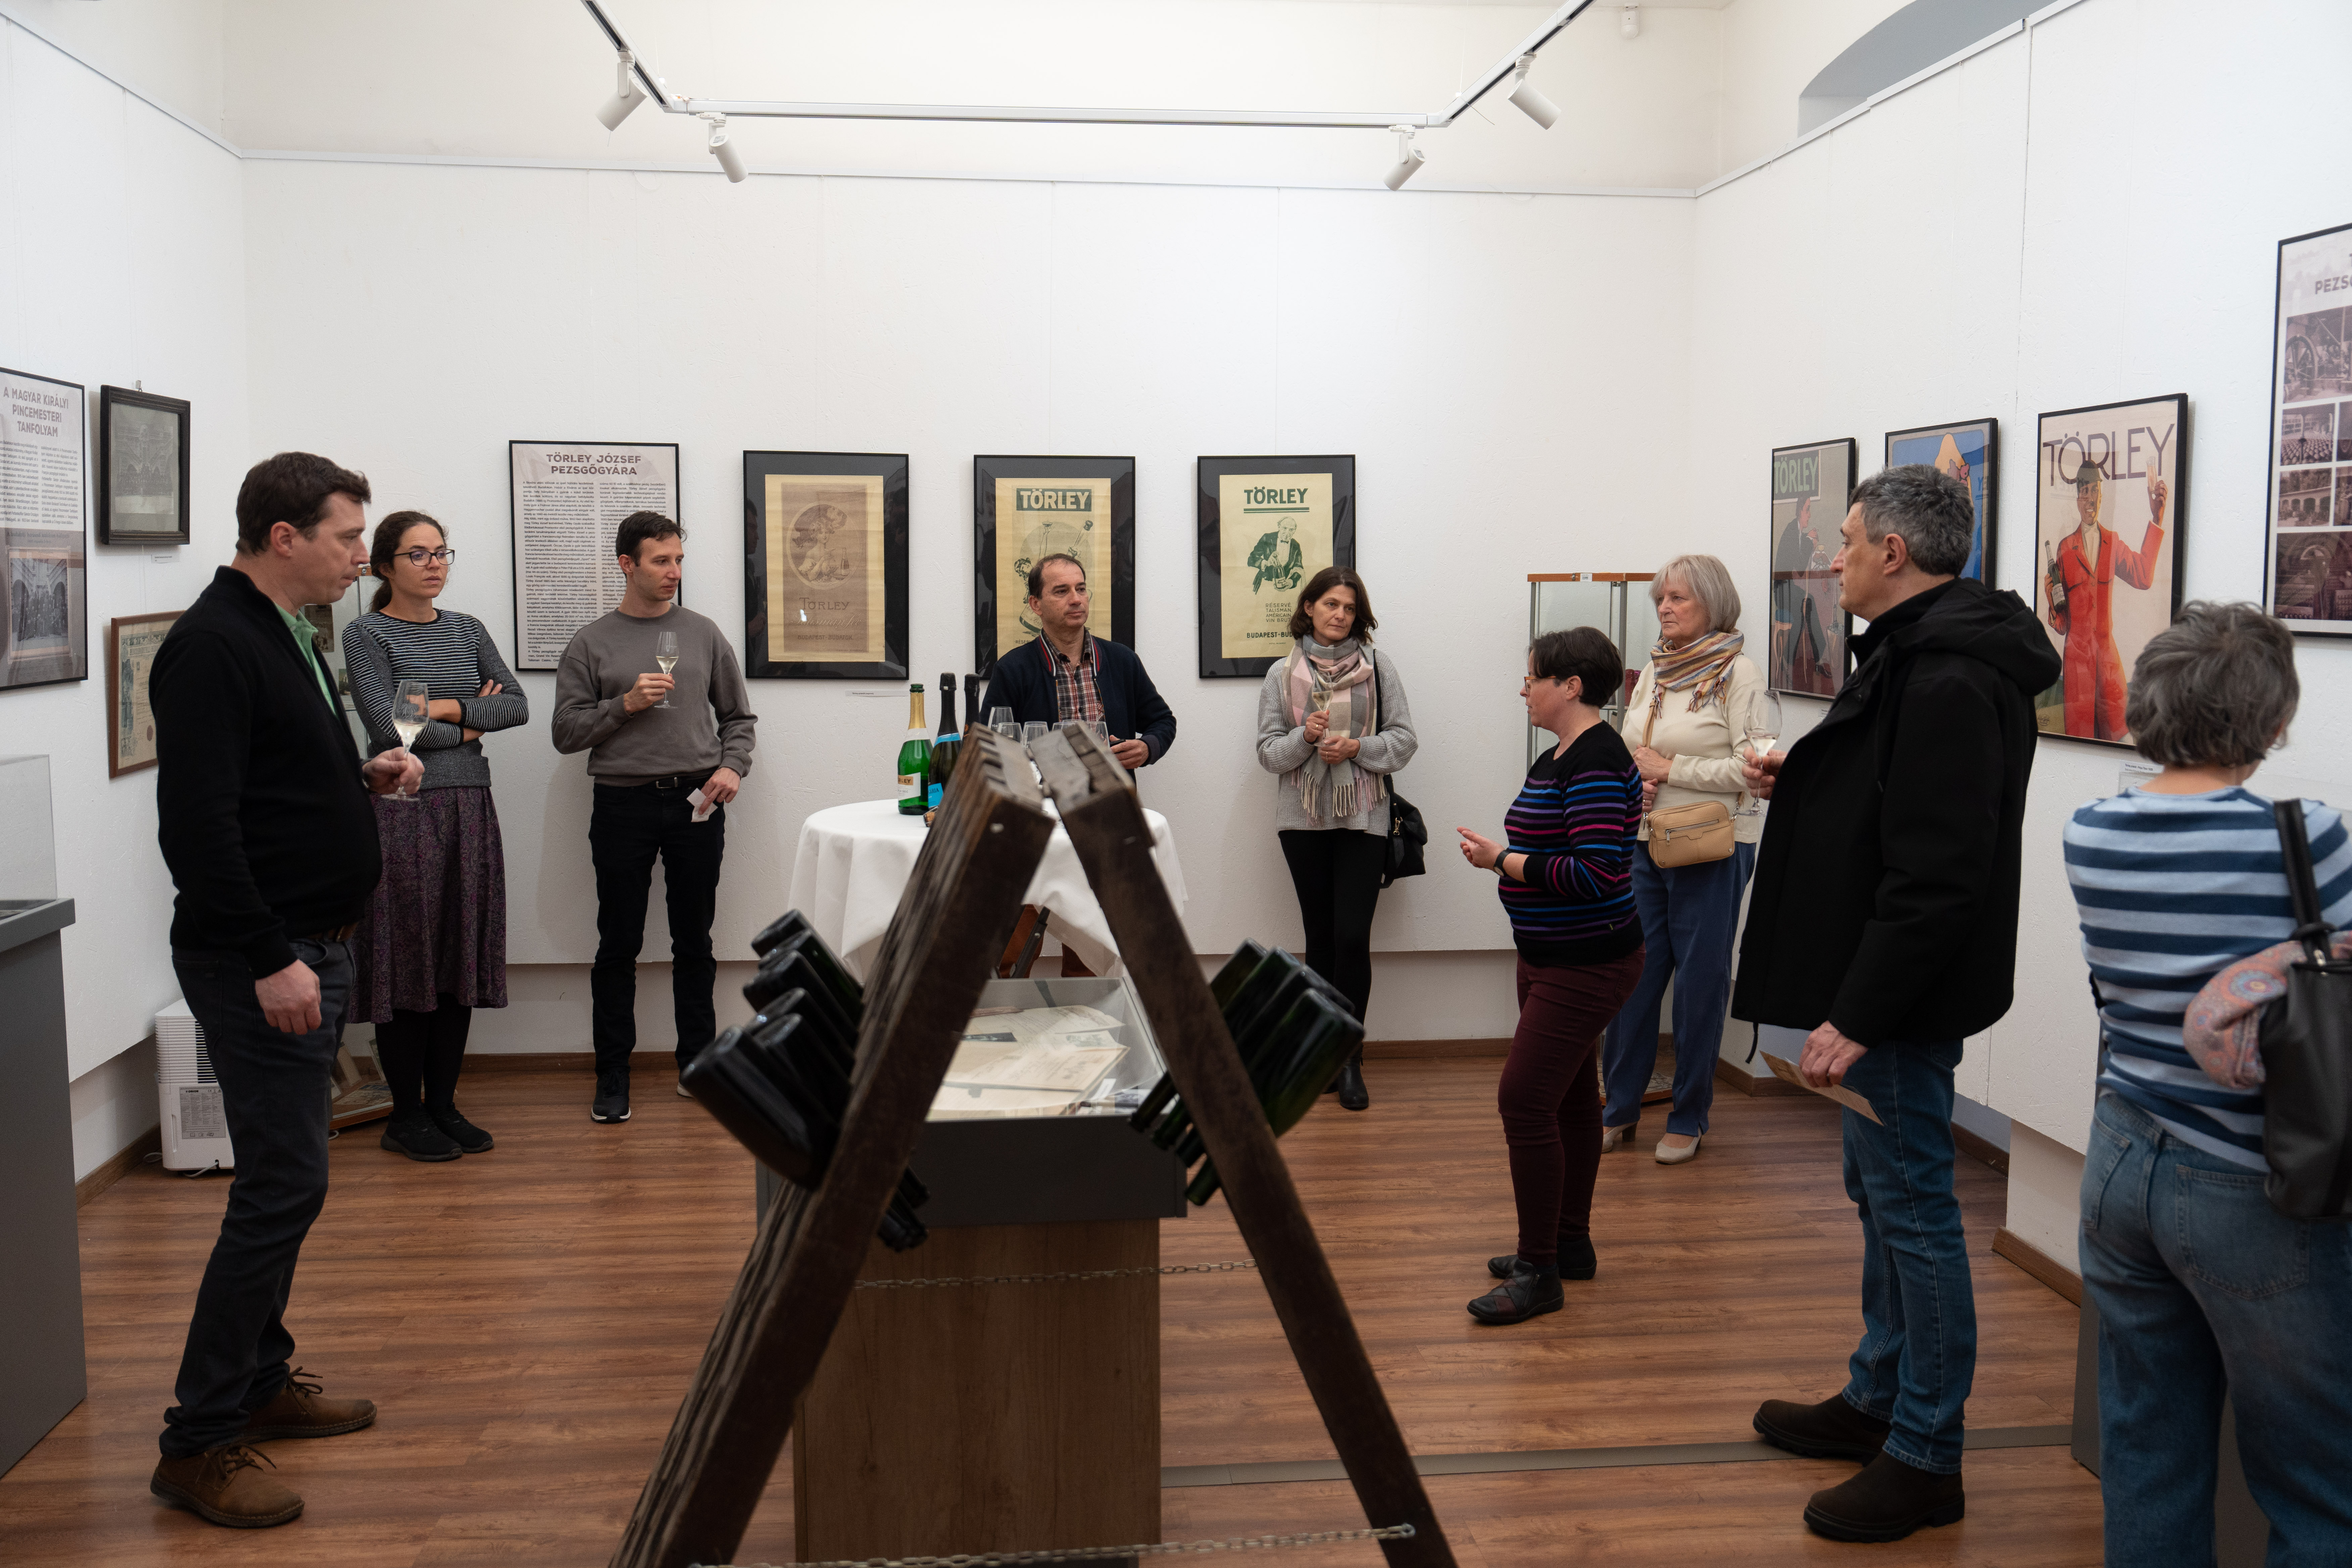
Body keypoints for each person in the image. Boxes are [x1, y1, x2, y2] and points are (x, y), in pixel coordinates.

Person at [1734, 464, 2060, 1542]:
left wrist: (1859, 1015)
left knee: (1916, 1215)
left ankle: (1925, 1454)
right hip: (1881, 985)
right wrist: (1807, 778)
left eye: (1845, 540)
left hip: (1900, 1002)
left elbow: (1937, 876)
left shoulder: (1950, 675)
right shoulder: (1919, 651)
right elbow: (1894, 803)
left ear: (1893, 552)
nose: (1831, 558)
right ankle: (1876, 1397)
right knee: (1880, 1197)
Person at [146, 452, 423, 1529]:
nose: (364, 557)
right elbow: (198, 830)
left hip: (311, 943)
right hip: (260, 956)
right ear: (284, 538)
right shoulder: (213, 645)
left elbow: (266, 780)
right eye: (349, 538)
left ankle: (261, 1381)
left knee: (287, 1184)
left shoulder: (284, 632)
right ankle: (198, 1440)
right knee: (281, 1189)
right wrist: (270, 957)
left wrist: (359, 777)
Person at [2066, 602, 2352, 1565]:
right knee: (2320, 1481)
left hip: (2121, 1159)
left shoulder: (2092, 830)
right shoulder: (2308, 836)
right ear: (2272, 720)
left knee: (2149, 1447)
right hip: (2250, 1176)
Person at [1454, 628, 1645, 1326]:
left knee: (1523, 1100)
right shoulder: (1557, 755)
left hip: (1587, 961)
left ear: (1571, 686)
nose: (1523, 689)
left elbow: (1592, 874)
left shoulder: (1596, 761)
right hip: (1548, 955)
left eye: (1532, 677)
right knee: (1566, 1098)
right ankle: (1568, 1243)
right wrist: (1508, 859)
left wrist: (1500, 861)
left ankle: (1540, 1271)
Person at [552, 511, 758, 1125]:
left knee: (695, 940)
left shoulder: (703, 634)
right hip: (623, 804)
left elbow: (738, 719)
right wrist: (623, 705)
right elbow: (565, 733)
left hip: (698, 801)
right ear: (627, 565)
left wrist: (733, 767)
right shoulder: (591, 642)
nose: (674, 572)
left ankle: (698, 1067)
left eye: (679, 561)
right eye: (661, 561)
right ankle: (613, 1074)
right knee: (619, 943)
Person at [342, 510, 529, 1162]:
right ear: (385, 566)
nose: (434, 564)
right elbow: (388, 729)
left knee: (458, 957)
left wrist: (442, 709)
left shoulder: (467, 628)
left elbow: (517, 705)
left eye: (441, 552)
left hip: (470, 808)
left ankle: (444, 1104)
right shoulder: (367, 632)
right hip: (404, 809)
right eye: (417, 554)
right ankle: (407, 1114)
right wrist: (474, 721)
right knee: (409, 957)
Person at [1600, 554, 1767, 1164]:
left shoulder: (1739, 673)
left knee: (1699, 986)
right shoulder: (1655, 669)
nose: (1664, 609)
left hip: (1712, 846)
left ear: (1712, 604)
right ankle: (1618, 1108)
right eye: (1660, 600)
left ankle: (1689, 1116)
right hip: (1647, 841)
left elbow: (1753, 770)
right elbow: (1631, 749)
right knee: (1633, 977)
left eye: (1677, 599)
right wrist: (1637, 780)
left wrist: (1671, 770)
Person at [1254, 567, 1418, 1111]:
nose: (1340, 615)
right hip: (1301, 819)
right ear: (1309, 607)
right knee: (1320, 940)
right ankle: (1321, 1057)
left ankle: (1350, 1060)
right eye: (1330, 604)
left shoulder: (1378, 667)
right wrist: (1305, 737)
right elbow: (1268, 754)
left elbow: (1404, 740)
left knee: (1351, 938)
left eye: (1349, 607)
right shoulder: (1281, 674)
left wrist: (1355, 748)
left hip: (1363, 815)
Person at [979, 553, 1175, 772]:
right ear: (1036, 604)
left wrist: (1147, 748)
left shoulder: (1123, 660)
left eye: (1081, 589)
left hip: (1113, 791)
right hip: (1044, 792)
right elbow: (990, 747)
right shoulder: (1012, 670)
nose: (1076, 599)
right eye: (1062, 591)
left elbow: (1163, 721)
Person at [2043, 457, 2168, 741]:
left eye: (2095, 491)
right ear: (2078, 499)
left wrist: (2157, 519)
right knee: (2079, 746)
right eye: (2084, 492)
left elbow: (2143, 577)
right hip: (2077, 670)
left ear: (2102, 496)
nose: (2090, 500)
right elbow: (2062, 625)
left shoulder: (2113, 542)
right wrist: (2051, 601)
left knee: (2122, 739)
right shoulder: (2065, 549)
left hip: (2108, 667)